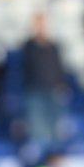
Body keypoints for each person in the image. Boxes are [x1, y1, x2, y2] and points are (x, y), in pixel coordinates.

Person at [22, 12, 68, 144]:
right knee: (38, 129)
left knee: (56, 129)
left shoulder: (54, 47)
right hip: (34, 92)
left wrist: (61, 87)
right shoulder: (28, 46)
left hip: (54, 92)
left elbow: (59, 69)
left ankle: (53, 154)